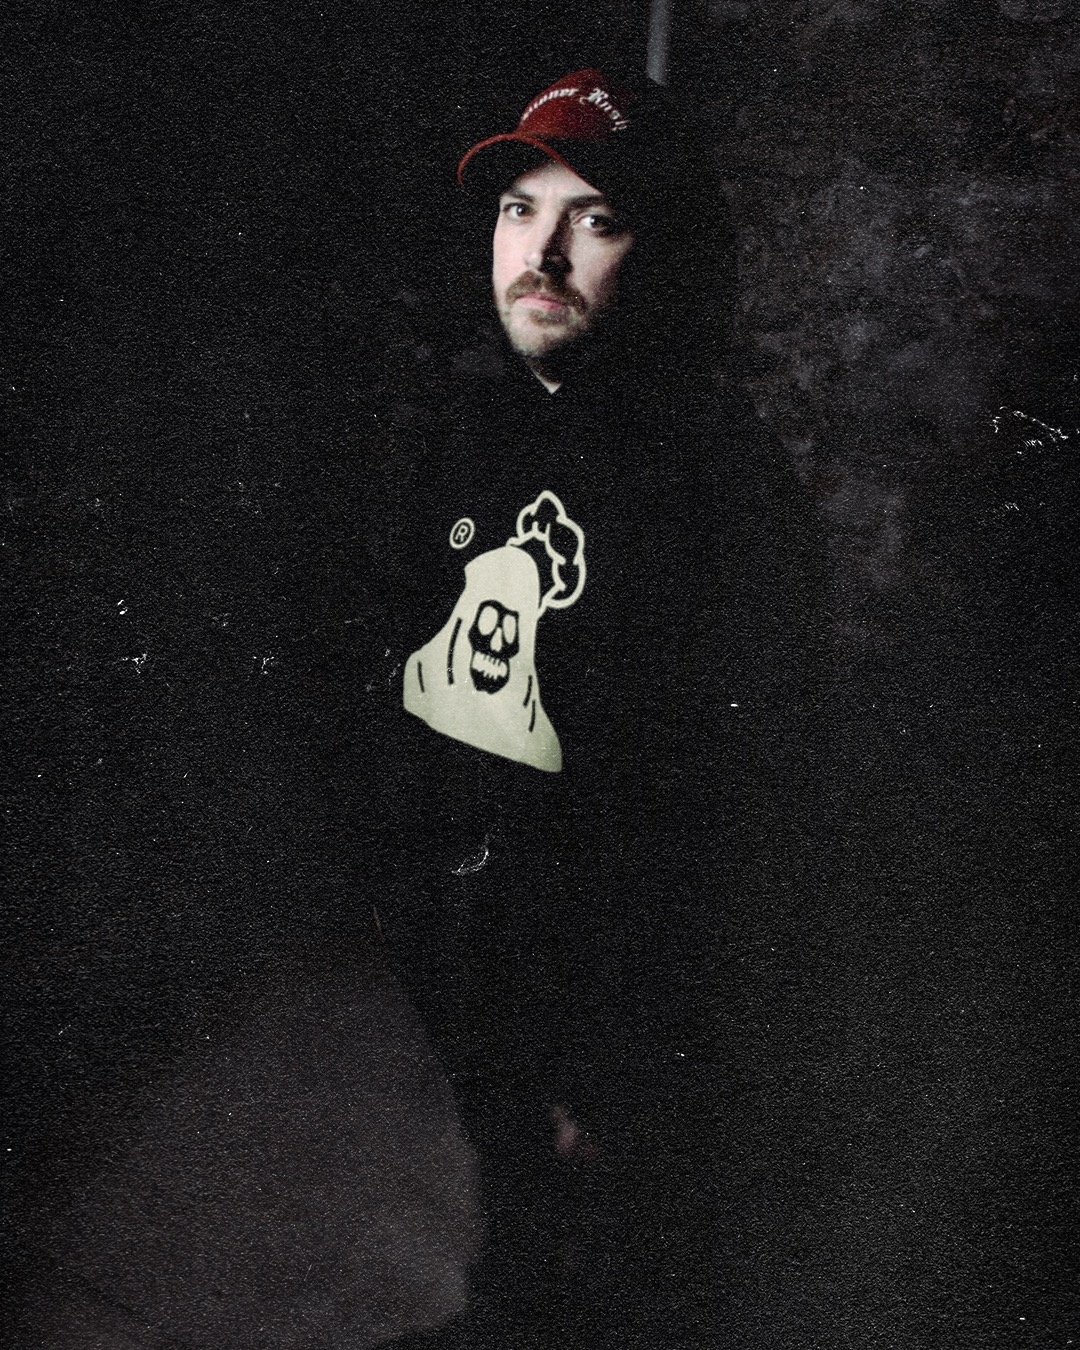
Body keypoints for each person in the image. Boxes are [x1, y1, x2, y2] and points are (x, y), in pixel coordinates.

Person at [335, 67, 827, 1348]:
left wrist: (621, 1044)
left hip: (618, 990)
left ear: (656, 252)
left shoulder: (716, 484)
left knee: (621, 1252)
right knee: (515, 1208)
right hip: (471, 943)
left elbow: (743, 803)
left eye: (595, 217)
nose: (542, 250)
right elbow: (396, 664)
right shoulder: (457, 424)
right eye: (518, 206)